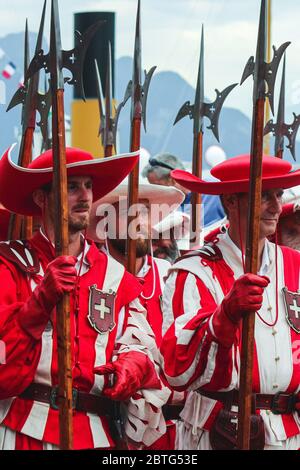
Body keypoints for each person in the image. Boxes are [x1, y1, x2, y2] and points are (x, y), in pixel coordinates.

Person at [0, 145, 170, 450]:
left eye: (89, 186)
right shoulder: (10, 264)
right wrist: (38, 305)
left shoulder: (117, 277)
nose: (85, 196)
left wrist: (131, 367)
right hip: (25, 429)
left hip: (98, 435)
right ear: (41, 197)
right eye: (72, 186)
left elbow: (144, 350)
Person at [160, 153, 300, 450]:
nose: (277, 207)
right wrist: (224, 316)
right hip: (221, 432)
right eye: (265, 197)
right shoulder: (194, 271)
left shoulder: (295, 265)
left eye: (278, 195)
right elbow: (177, 370)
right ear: (231, 202)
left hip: (291, 431)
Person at [87, 182, 186, 449]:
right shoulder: (92, 276)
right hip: (106, 422)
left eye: (143, 212)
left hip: (167, 425)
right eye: (127, 214)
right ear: (105, 224)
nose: (139, 221)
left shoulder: (169, 275)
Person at [142, 152, 225, 225]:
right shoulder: (162, 207)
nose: (155, 192)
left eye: (157, 186)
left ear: (172, 179)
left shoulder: (214, 191)